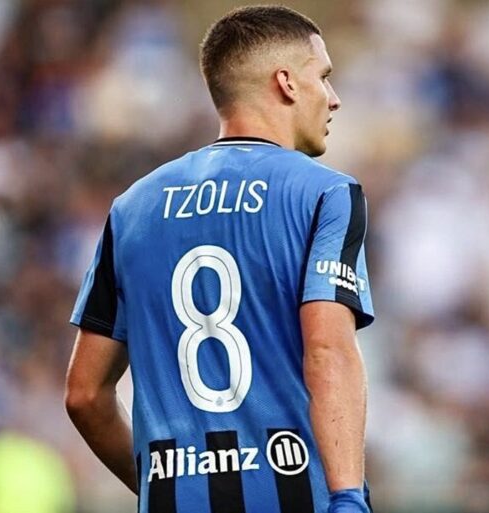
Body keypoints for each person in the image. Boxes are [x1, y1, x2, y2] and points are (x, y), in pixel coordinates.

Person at [64, 6, 374, 513]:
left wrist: (158, 487)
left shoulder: (132, 208)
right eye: (323, 76)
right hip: (293, 496)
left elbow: (84, 394)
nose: (333, 97)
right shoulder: (325, 194)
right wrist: (347, 499)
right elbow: (327, 351)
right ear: (286, 83)